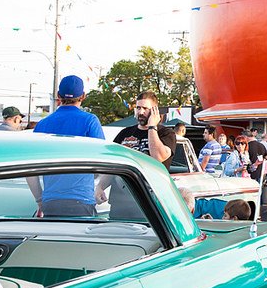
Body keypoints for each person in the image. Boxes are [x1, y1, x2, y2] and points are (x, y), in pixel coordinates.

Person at [28, 75, 105, 217]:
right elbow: (101, 160)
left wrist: (40, 199)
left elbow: (30, 170)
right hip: (82, 199)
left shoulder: (43, 124)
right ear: (83, 96)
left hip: (51, 200)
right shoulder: (90, 121)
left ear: (58, 95)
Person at [112, 92, 177, 168]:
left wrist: (152, 127)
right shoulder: (125, 133)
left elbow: (158, 157)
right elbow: (112, 158)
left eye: (145, 108)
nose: (140, 112)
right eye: (138, 108)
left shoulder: (166, 133)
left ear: (154, 110)